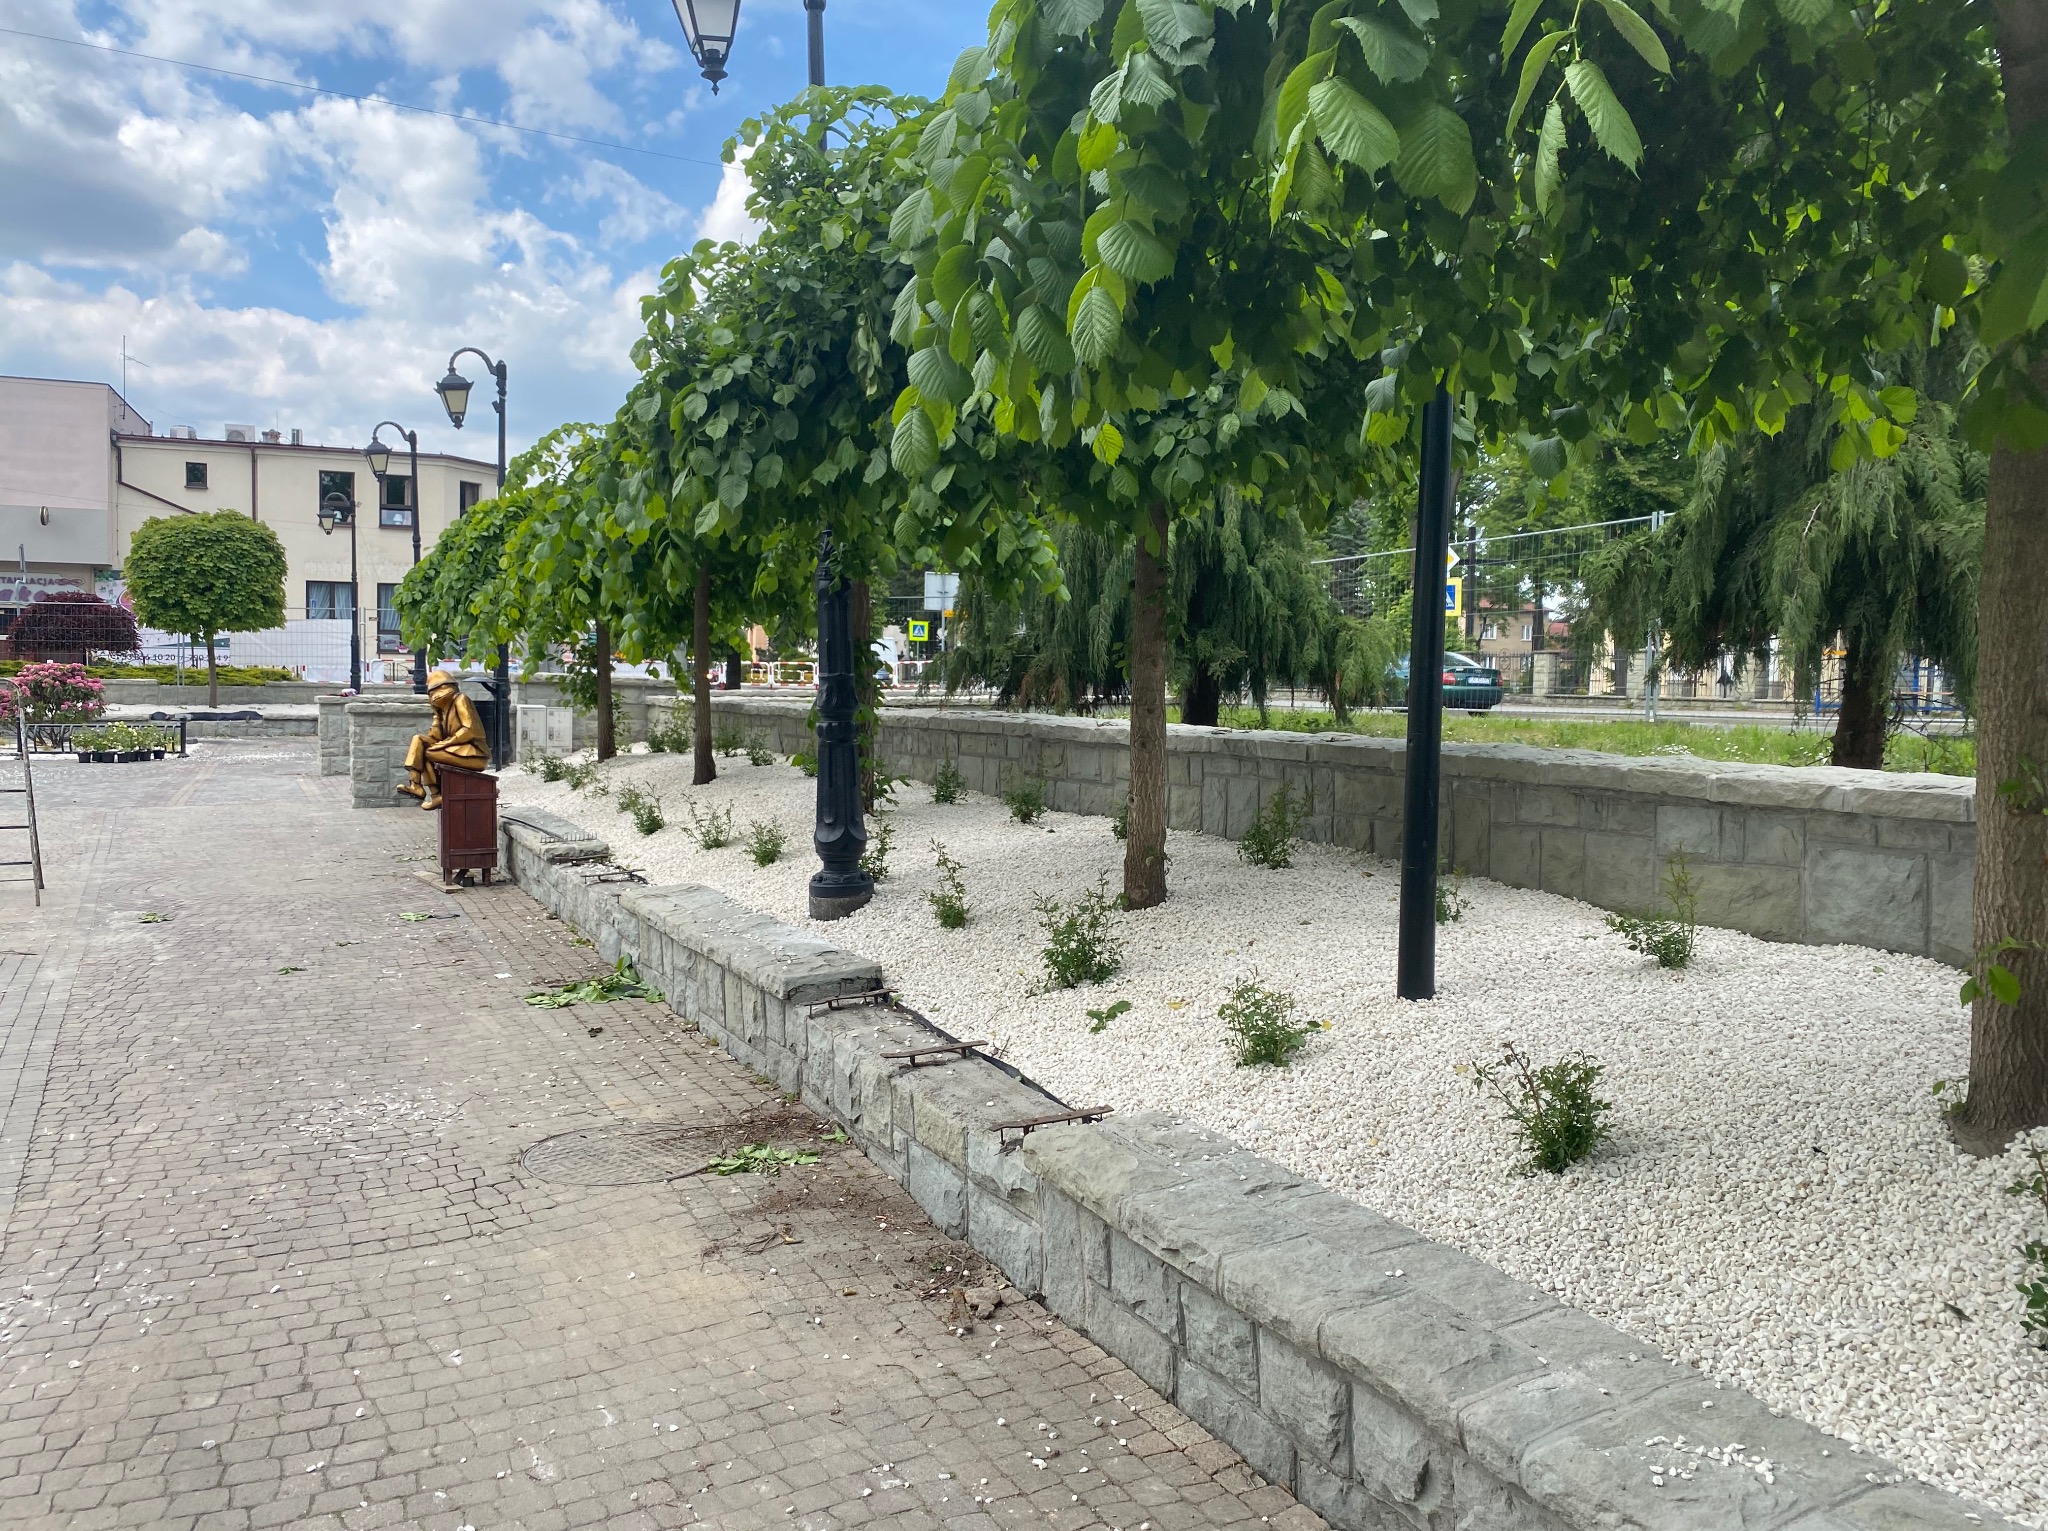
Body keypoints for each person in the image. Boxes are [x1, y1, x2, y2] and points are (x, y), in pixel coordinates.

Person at [399, 671, 488, 810]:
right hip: (455, 750)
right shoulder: (441, 711)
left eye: (441, 688)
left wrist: (446, 743)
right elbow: (435, 738)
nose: (436, 695)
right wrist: (436, 721)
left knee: (428, 753)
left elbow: (470, 729)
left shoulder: (461, 699)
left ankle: (435, 794)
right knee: (419, 740)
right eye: (432, 692)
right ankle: (416, 785)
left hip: (474, 753)